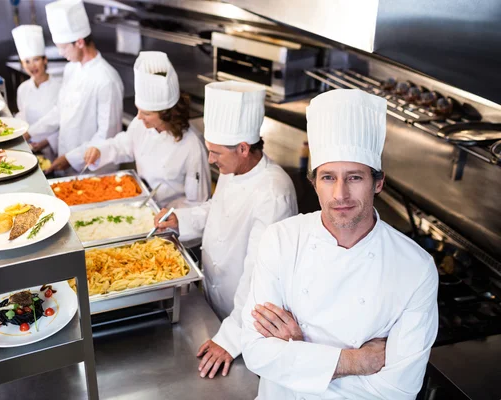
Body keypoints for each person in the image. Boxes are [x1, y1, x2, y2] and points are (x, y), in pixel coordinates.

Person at [241, 89, 439, 399]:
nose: (340, 195)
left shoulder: (416, 268)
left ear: (379, 182)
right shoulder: (281, 240)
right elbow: (256, 352)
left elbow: (398, 389)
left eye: (355, 178)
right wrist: (357, 361)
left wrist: (297, 351)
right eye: (328, 177)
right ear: (314, 182)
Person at [154, 81, 298, 379]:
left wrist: (231, 340)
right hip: (215, 304)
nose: (210, 160)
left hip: (247, 322)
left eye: (216, 153)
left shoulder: (273, 192)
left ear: (243, 148)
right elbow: (216, 209)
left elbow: (260, 274)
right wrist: (182, 220)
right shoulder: (235, 169)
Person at [82, 51, 211, 208]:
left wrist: (172, 217)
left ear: (166, 113)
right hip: (142, 204)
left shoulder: (192, 147)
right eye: (138, 110)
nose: (139, 117)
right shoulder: (140, 125)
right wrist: (99, 151)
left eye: (147, 113)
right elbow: (124, 145)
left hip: (171, 222)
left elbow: (198, 204)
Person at [25, 0, 124, 175]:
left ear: (79, 42)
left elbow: (106, 135)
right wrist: (29, 133)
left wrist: (72, 158)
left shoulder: (107, 79)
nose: (61, 53)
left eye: (63, 48)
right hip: (66, 161)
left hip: (93, 170)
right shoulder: (71, 68)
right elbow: (60, 111)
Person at [12, 25, 62, 161]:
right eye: (27, 61)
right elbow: (22, 116)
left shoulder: (59, 86)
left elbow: (63, 122)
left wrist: (45, 143)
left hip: (53, 149)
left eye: (36, 60)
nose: (32, 66)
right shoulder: (22, 88)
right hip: (29, 147)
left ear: (45, 60)